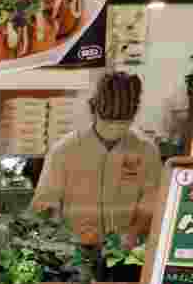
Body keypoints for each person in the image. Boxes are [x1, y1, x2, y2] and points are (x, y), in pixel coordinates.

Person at [31, 71, 162, 248]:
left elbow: (151, 201)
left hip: (129, 253)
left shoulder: (146, 150)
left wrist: (133, 233)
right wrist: (64, 233)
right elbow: (44, 205)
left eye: (122, 121)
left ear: (133, 115)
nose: (114, 126)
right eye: (108, 120)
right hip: (74, 252)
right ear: (94, 109)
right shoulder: (65, 150)